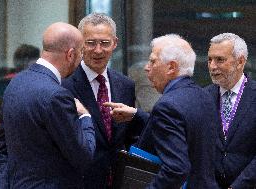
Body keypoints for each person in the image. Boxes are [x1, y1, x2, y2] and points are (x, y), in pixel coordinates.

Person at [105, 34, 219, 188]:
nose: (146, 67)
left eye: (153, 61)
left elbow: (176, 170)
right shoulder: (204, 96)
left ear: (171, 67)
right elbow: (184, 130)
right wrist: (137, 114)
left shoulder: (167, 106)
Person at [0, 22, 96, 188]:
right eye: (81, 53)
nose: (81, 59)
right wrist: (85, 116)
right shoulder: (57, 96)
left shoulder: (15, 83)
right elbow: (83, 155)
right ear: (70, 54)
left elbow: (3, 149)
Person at [61, 13, 143, 188]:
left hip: (118, 181)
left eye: (105, 43)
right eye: (90, 43)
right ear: (79, 44)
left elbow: (127, 137)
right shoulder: (64, 85)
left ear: (115, 43)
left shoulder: (125, 84)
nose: (98, 50)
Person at [205, 33, 256, 189]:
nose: (212, 66)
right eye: (209, 60)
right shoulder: (203, 97)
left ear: (240, 62)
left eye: (220, 60)